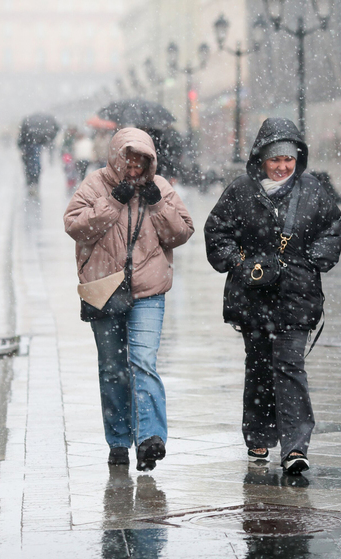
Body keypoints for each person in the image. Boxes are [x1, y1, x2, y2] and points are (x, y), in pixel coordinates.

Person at [204, 118, 341, 475]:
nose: (283, 166)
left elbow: (333, 229)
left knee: (290, 366)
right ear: (261, 159)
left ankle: (296, 446)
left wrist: (314, 259)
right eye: (275, 159)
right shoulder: (241, 191)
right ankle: (259, 434)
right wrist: (241, 262)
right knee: (259, 366)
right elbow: (217, 232)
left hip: (297, 296)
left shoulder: (313, 190)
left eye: (289, 159)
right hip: (254, 298)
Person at [64, 128, 194, 470]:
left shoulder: (161, 187)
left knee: (143, 362)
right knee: (112, 370)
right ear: (116, 157)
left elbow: (181, 233)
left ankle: (150, 438)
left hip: (148, 291)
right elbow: (75, 226)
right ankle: (119, 441)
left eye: (141, 161)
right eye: (129, 159)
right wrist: (113, 201)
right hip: (105, 289)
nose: (134, 168)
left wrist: (157, 204)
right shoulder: (95, 185)